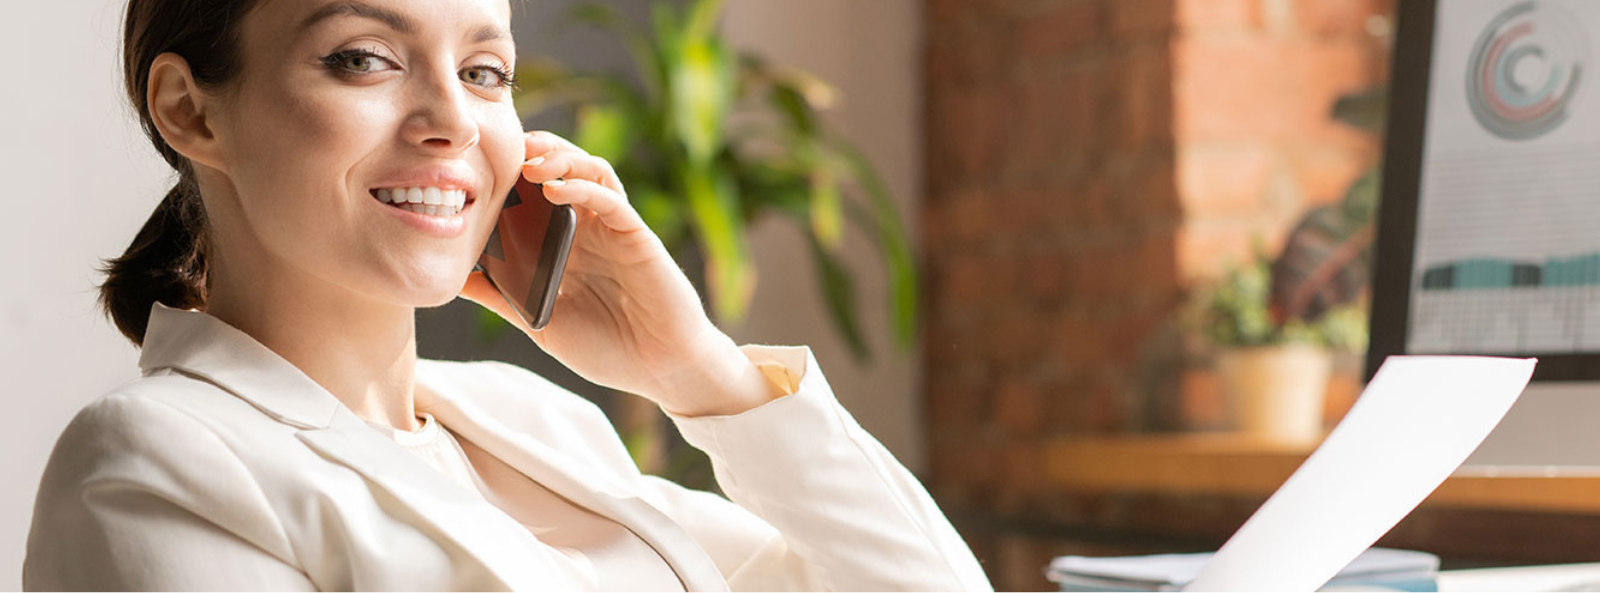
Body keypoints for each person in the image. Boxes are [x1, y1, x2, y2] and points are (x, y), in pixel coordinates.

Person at [22, 0, 990, 590]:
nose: (453, 117)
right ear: (190, 109)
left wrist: (699, 372)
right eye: (364, 56)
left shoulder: (534, 420)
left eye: (486, 71)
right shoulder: (152, 460)